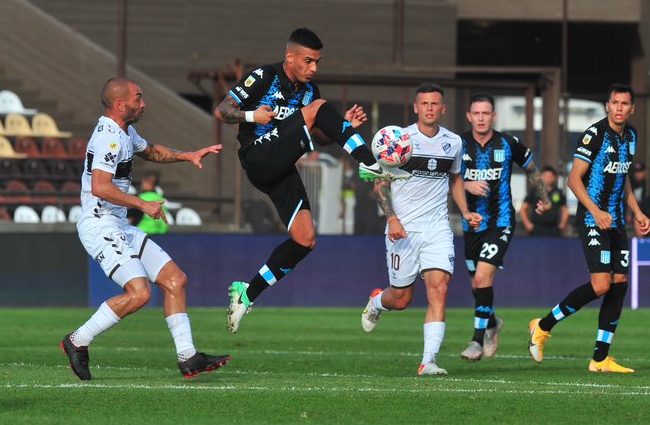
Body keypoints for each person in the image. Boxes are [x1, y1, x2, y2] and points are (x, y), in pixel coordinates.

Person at [215, 27, 409, 333]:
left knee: (305, 239)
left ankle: (246, 294)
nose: (313, 68)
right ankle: (371, 165)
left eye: (317, 61)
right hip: (257, 157)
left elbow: (315, 138)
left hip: (281, 168)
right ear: (289, 57)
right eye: (308, 61)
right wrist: (252, 117)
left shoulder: (308, 91)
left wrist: (341, 126)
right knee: (319, 109)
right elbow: (223, 110)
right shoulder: (265, 76)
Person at [60, 77, 230, 381]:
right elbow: (100, 187)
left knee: (175, 280)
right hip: (100, 226)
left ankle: (188, 357)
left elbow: (151, 151)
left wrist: (187, 155)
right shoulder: (108, 138)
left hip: (119, 225)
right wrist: (142, 204)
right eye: (138, 98)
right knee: (139, 294)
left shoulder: (126, 132)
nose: (143, 103)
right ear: (120, 104)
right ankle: (77, 340)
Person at [360, 83, 482, 376]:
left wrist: (465, 211)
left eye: (434, 104)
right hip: (403, 229)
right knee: (401, 300)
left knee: (439, 289)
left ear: (443, 109)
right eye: (424, 103)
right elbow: (380, 184)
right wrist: (392, 219)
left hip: (438, 228)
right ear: (416, 107)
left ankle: (428, 361)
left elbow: (454, 179)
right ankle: (377, 301)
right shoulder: (398, 140)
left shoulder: (453, 142)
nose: (429, 108)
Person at [528, 83, 650, 372]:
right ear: (607, 105)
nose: (619, 108)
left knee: (619, 284)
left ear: (632, 108)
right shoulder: (595, 135)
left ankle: (600, 358)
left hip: (617, 220)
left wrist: (637, 212)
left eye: (625, 104)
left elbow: (624, 180)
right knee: (601, 285)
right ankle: (543, 326)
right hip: (592, 218)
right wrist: (596, 212)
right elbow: (573, 179)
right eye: (614, 103)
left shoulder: (631, 136)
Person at [459, 93, 551, 362]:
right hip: (472, 223)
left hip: (501, 222)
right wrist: (466, 185)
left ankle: (476, 341)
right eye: (476, 113)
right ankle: (492, 324)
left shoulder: (508, 143)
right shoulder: (458, 145)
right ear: (469, 116)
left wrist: (543, 199)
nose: (480, 118)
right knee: (477, 287)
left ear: (493, 116)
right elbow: (446, 180)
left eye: (485, 113)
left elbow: (532, 170)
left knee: (482, 279)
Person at [519, 165, 569, 236]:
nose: (547, 178)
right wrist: (528, 224)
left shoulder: (558, 192)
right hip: (536, 228)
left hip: (553, 229)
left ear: (554, 178)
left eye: (550, 176)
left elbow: (565, 210)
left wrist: (562, 225)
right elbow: (523, 209)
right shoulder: (534, 191)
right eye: (545, 176)